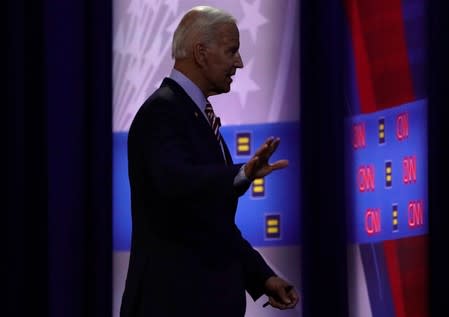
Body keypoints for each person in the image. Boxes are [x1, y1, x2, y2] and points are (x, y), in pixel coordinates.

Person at [120, 5, 299, 317]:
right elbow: (177, 185)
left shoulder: (193, 115)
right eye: (232, 51)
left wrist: (262, 276)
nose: (239, 63)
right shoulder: (161, 112)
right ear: (201, 53)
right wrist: (241, 173)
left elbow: (209, 223)